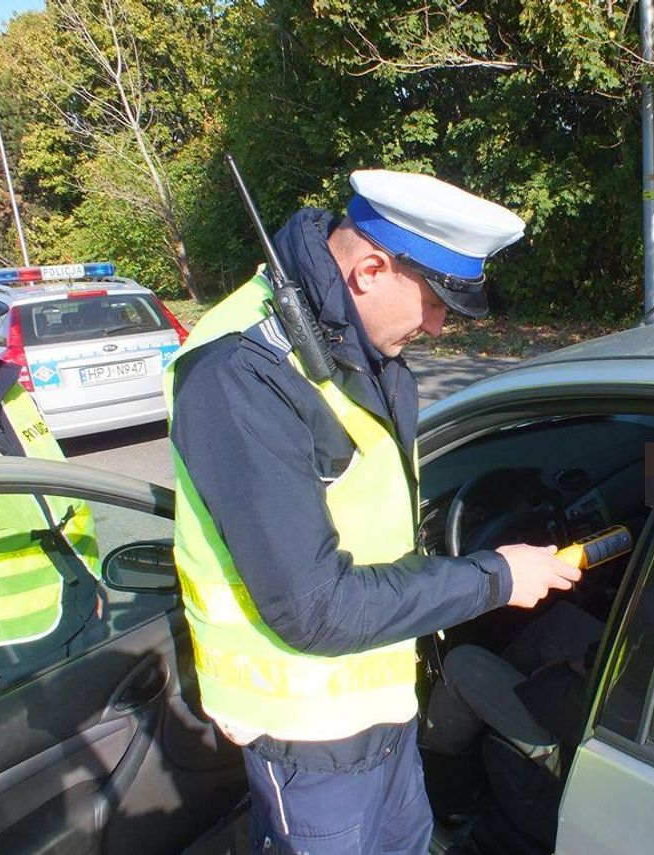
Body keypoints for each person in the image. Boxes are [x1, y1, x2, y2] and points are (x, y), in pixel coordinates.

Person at [166, 170, 582, 854]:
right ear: (369, 269)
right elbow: (315, 605)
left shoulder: (351, 343)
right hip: (308, 740)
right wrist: (495, 578)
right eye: (436, 301)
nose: (440, 325)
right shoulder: (242, 371)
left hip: (381, 706)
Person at [0, 246, 103, 719]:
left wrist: (91, 585)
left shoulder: (7, 389)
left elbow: (66, 498)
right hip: (6, 653)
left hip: (79, 609)